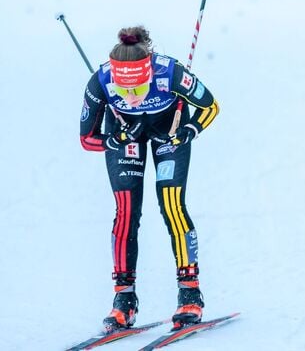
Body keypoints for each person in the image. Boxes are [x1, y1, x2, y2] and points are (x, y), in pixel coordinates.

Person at [79, 26, 221, 332]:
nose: (129, 97)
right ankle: (123, 300)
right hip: (124, 134)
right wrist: (111, 141)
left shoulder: (169, 74)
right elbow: (86, 139)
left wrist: (190, 129)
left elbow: (210, 106)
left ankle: (189, 294)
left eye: (137, 89)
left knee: (171, 204)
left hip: (168, 130)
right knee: (127, 210)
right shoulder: (101, 82)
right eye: (123, 90)